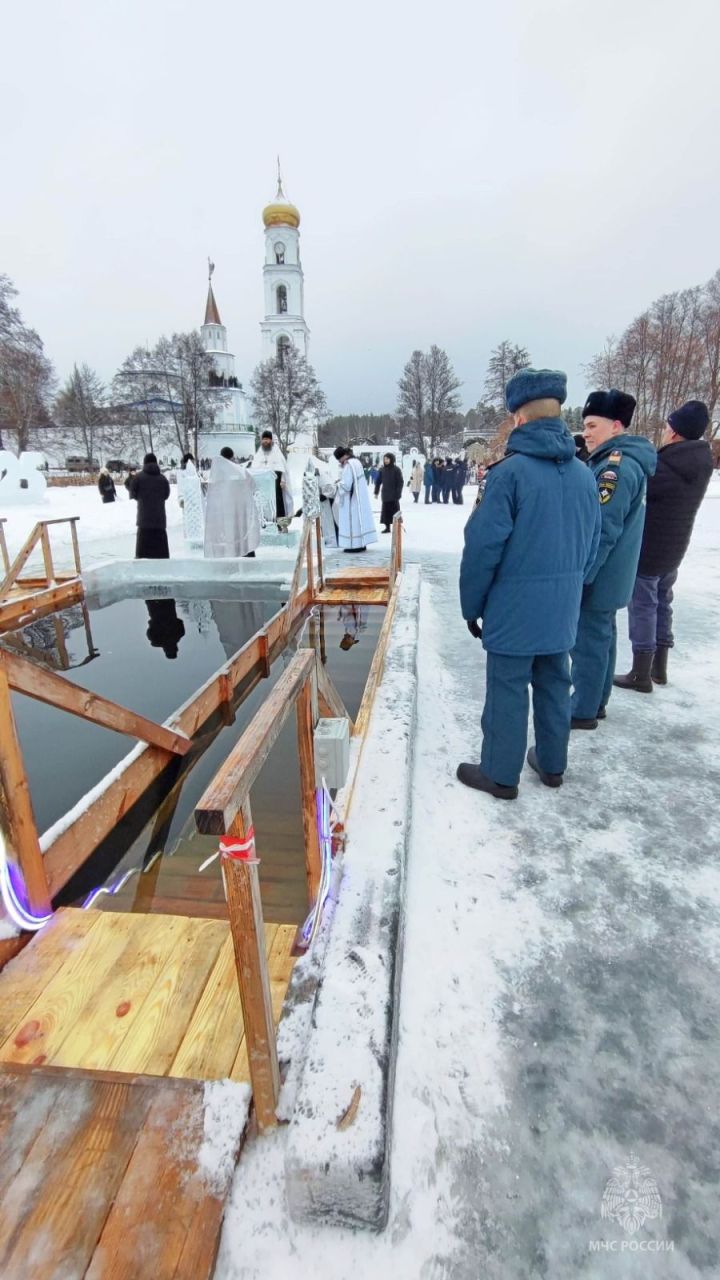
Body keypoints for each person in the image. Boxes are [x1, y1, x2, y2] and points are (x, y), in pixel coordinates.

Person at [458, 368, 600, 799]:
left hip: (514, 608)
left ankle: (500, 774)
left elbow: (482, 549)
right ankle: (553, 764)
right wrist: (573, 587)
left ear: (519, 417)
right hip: (562, 607)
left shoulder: (509, 475)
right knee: (556, 683)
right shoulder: (582, 474)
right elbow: (593, 544)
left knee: (508, 688)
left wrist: (472, 606)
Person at [570, 390, 656, 728]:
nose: (586, 433)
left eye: (592, 425)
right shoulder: (617, 461)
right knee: (602, 636)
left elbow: (603, 529)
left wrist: (583, 576)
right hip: (615, 572)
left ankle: (583, 708)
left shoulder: (614, 469)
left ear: (616, 426)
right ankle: (596, 700)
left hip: (602, 572)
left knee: (589, 642)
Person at [613, 400, 713, 692]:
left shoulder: (668, 466)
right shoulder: (700, 462)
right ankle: (659, 668)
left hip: (652, 547)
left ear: (676, 432)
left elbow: (642, 489)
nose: (665, 432)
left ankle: (640, 673)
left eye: (668, 427)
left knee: (643, 605)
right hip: (675, 546)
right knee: (662, 602)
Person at [204, 447, 261, 558]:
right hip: (239, 512)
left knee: (227, 535)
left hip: (223, 513)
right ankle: (246, 558)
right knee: (241, 536)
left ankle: (227, 559)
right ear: (232, 457)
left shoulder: (216, 474)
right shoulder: (240, 471)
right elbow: (253, 486)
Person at [333, 446, 378, 552]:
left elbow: (347, 485)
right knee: (359, 522)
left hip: (351, 499)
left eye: (339, 460)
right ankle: (361, 544)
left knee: (352, 522)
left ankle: (353, 545)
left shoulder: (348, 465)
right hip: (359, 498)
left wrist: (338, 484)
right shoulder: (356, 462)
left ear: (342, 457)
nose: (340, 462)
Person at [128, 454, 171, 559]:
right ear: (156, 463)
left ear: (144, 463)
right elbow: (166, 495)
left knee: (143, 556)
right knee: (161, 556)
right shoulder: (163, 479)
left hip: (144, 521)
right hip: (159, 521)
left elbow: (132, 494)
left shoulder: (138, 478)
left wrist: (142, 498)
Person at [250, 430, 293, 521]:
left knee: (277, 505)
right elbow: (254, 470)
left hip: (275, 485)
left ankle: (279, 523)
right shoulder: (258, 454)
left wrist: (283, 480)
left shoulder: (277, 452)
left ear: (271, 440)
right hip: (262, 487)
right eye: (264, 439)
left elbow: (284, 469)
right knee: (264, 506)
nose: (265, 441)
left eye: (267, 439)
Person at [177, 452, 204, 550]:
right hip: (188, 499)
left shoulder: (194, 471)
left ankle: (197, 536)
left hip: (196, 499)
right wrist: (181, 499)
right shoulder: (181, 473)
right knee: (187, 519)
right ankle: (189, 538)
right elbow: (180, 487)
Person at [374, 451, 404, 532]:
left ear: (391, 459)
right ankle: (387, 527)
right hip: (385, 494)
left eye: (387, 459)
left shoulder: (396, 470)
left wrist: (398, 493)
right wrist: (376, 492)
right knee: (386, 512)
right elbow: (378, 481)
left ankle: (397, 526)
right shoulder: (382, 470)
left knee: (395, 511)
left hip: (394, 495)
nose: (386, 460)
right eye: (384, 459)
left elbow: (400, 482)